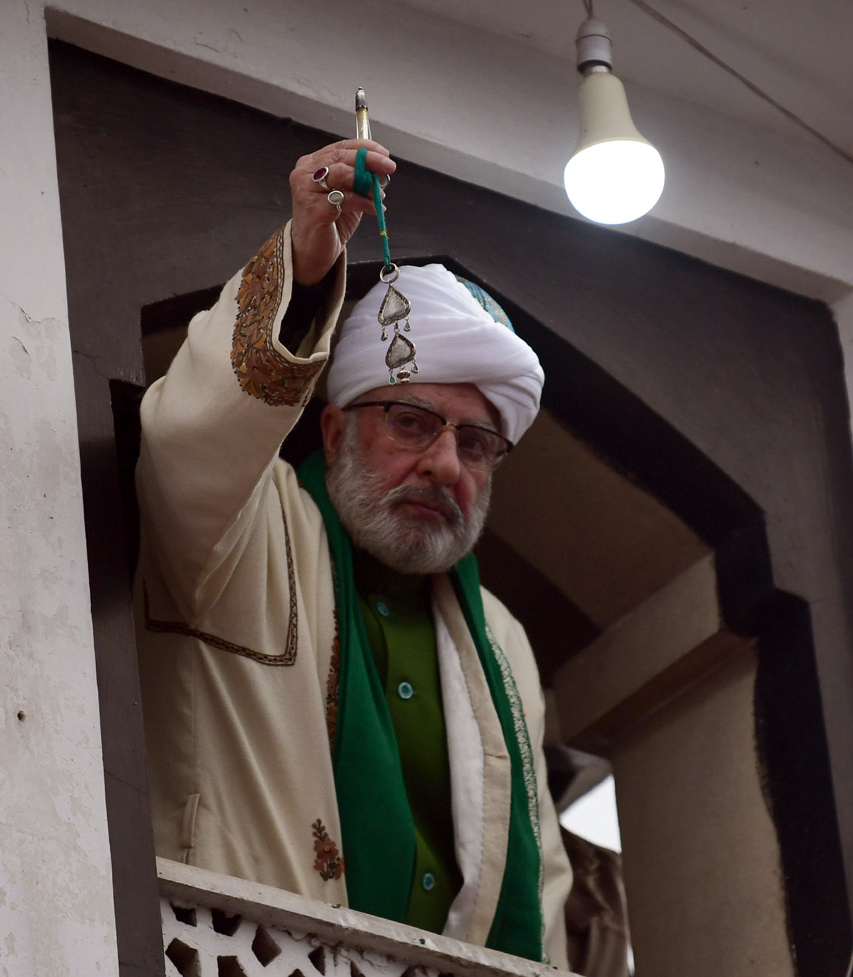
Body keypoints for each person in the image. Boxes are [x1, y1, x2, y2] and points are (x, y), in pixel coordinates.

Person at [135, 138, 571, 966]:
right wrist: (304, 268)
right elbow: (191, 442)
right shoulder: (246, 527)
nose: (446, 464)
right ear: (334, 431)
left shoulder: (501, 640)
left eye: (477, 444)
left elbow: (541, 881)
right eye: (412, 422)